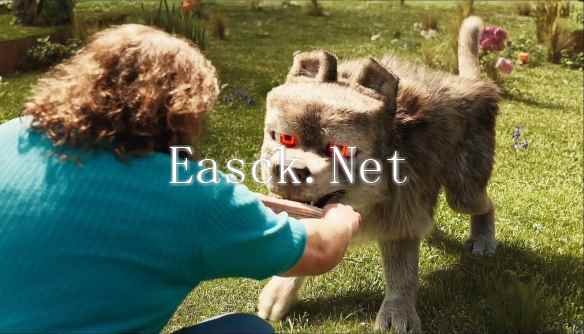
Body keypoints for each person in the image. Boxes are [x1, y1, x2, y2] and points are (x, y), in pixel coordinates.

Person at [0, 24, 361, 333]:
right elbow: (319, 250)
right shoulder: (190, 197)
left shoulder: (8, 138)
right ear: (186, 111)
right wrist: (340, 220)